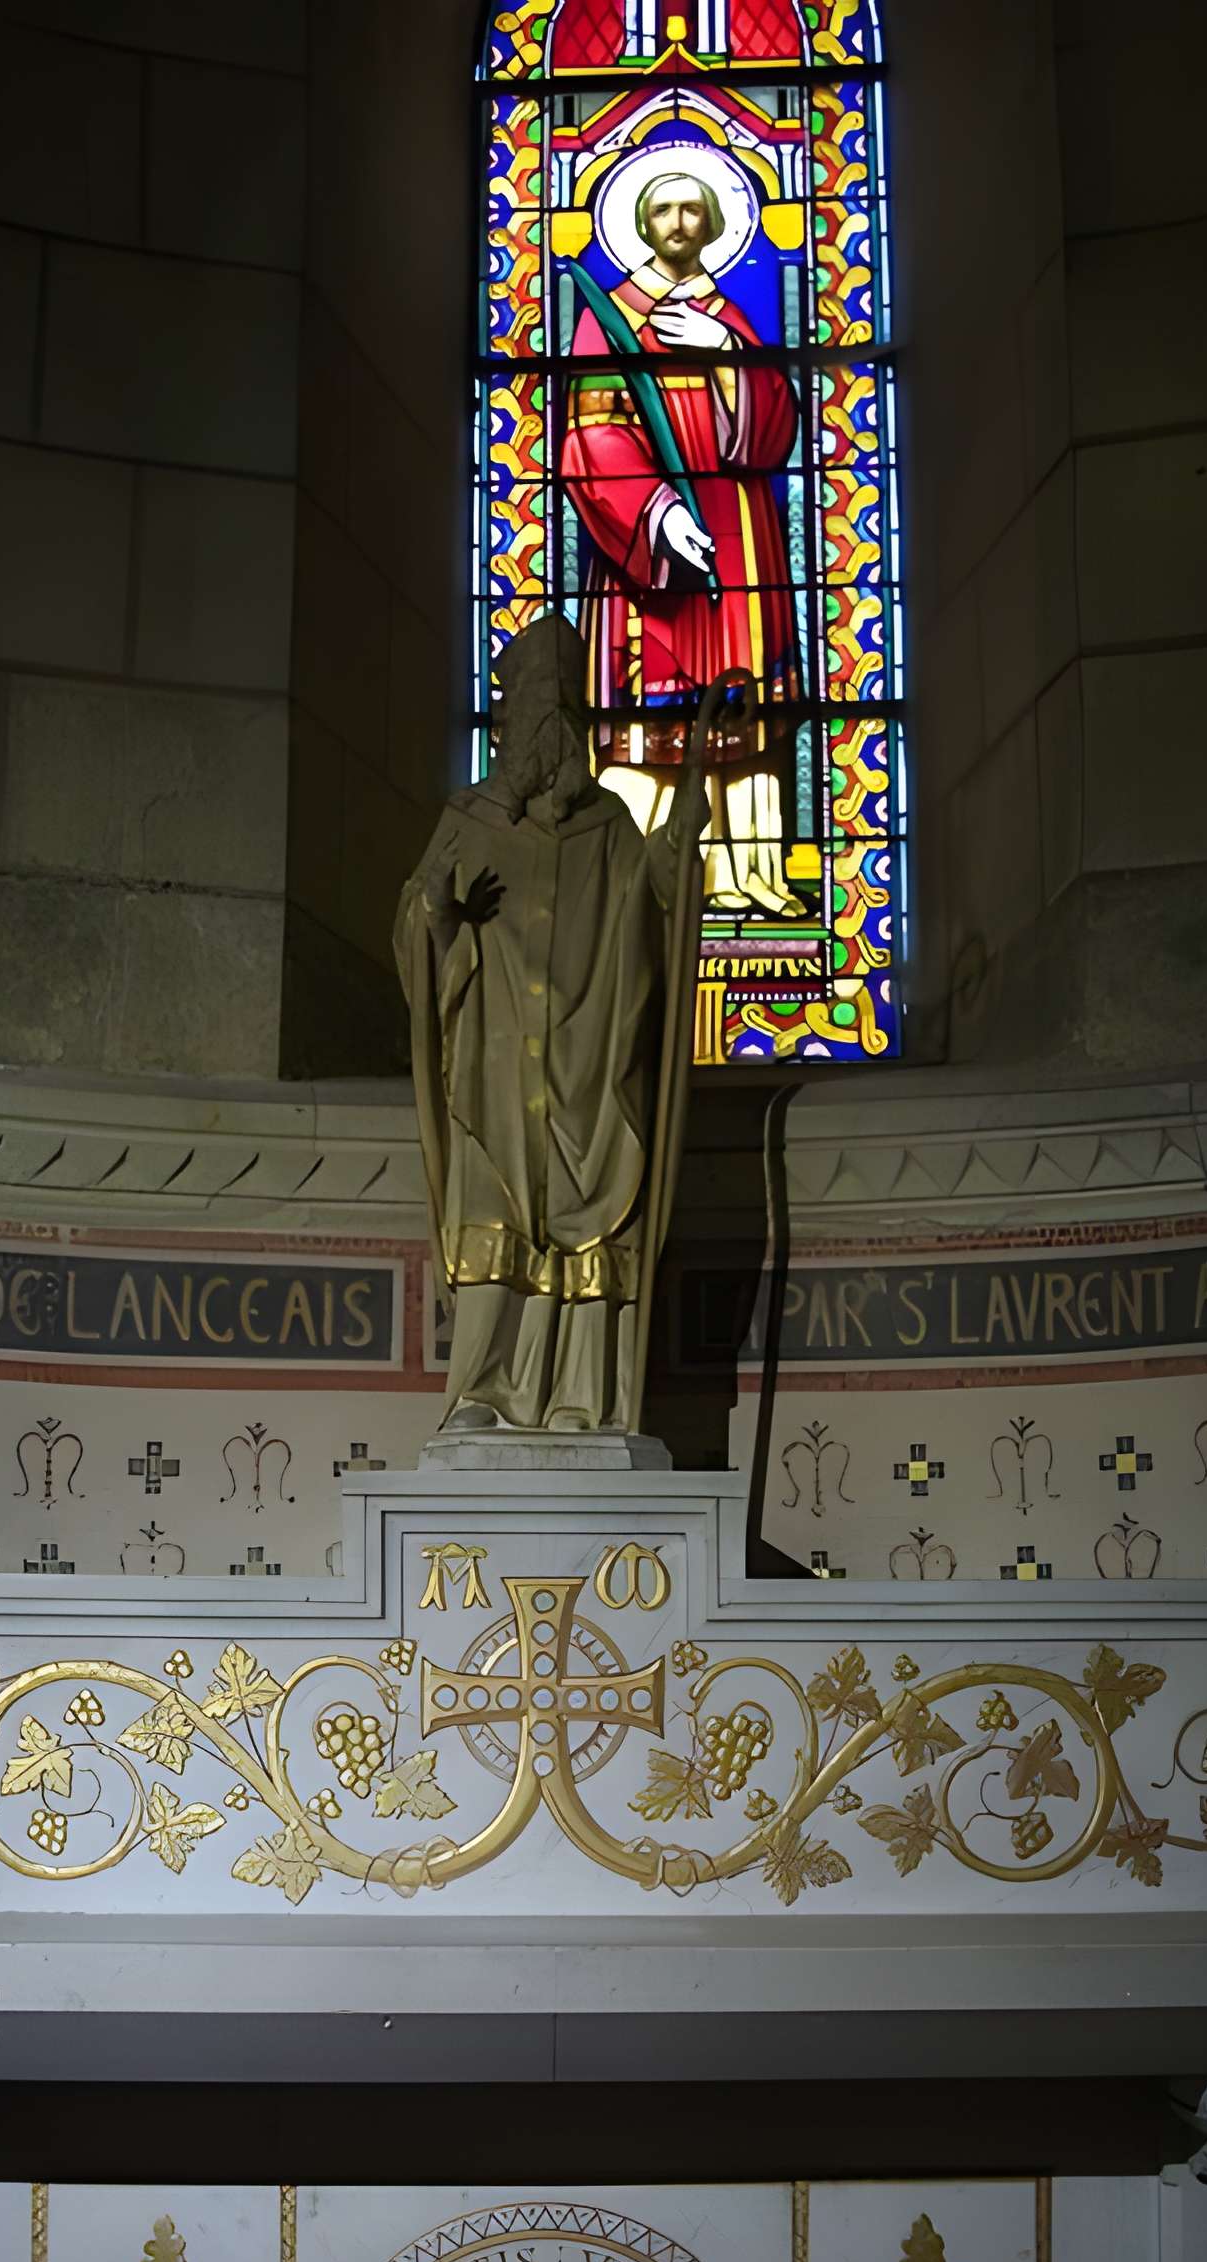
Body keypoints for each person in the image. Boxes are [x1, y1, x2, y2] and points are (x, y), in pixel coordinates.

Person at [394, 618, 707, 1433]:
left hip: (588, 1066)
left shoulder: (610, 827)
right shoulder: (472, 817)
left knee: (592, 1211)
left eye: (564, 719)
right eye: (532, 720)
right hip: (494, 1067)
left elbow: (655, 902)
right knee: (494, 1216)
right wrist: (439, 916)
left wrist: (682, 836)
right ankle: (484, 1392)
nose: (549, 741)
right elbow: (417, 922)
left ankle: (582, 1396)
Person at [559, 162, 800, 916]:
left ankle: (747, 878)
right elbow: (591, 434)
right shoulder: (612, 317)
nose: (677, 222)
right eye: (661, 208)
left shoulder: (729, 317)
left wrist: (726, 353)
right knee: (649, 711)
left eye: (693, 209)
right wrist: (659, 512)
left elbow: (777, 424)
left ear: (714, 223)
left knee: (744, 699)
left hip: (738, 541)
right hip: (652, 559)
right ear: (640, 222)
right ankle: (643, 889)